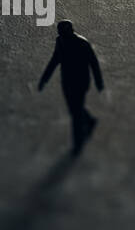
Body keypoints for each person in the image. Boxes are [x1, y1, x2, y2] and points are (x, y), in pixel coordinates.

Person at [38, 20, 104, 154]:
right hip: (67, 81)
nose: (61, 35)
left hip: (80, 82)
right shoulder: (60, 42)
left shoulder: (82, 43)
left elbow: (93, 62)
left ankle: (77, 144)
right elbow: (55, 60)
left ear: (70, 31)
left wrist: (98, 82)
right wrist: (44, 79)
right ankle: (89, 120)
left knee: (75, 113)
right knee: (74, 108)